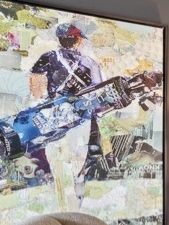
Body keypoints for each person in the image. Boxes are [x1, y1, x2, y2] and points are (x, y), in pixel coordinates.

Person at [26, 22, 109, 187]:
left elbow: (36, 85)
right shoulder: (90, 63)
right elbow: (98, 93)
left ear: (60, 40)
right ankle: (78, 185)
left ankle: (57, 185)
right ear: (78, 40)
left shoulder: (48, 57)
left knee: (51, 152)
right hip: (81, 118)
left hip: (54, 114)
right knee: (82, 155)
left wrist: (42, 102)